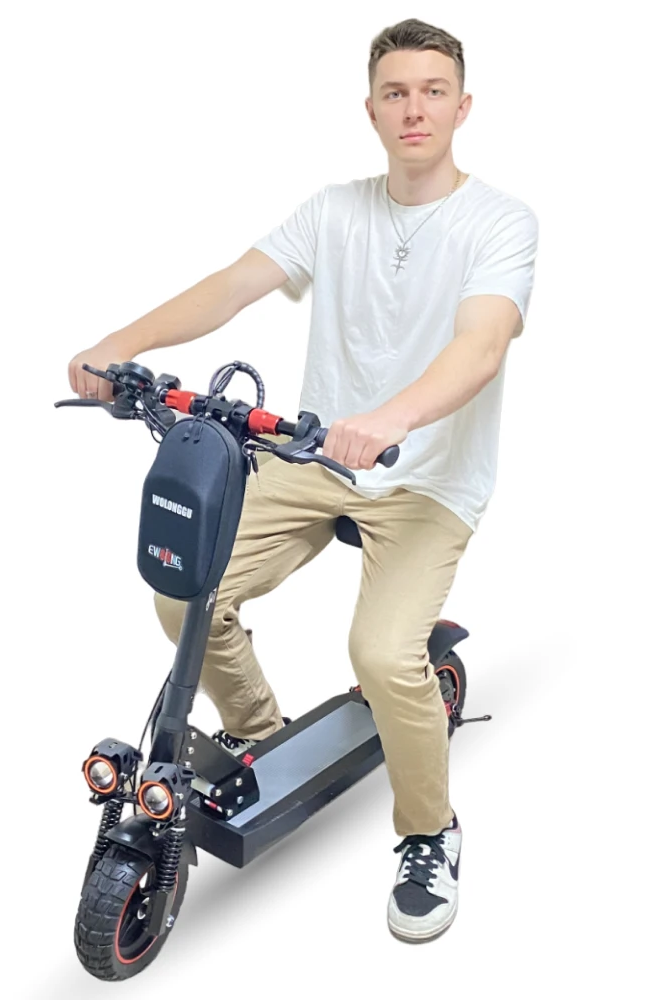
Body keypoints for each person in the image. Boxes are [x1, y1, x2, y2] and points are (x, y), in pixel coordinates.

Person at [67, 18, 539, 943]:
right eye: (396, 93)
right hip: (312, 458)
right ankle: (257, 730)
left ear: (462, 107)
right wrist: (121, 345)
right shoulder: (333, 210)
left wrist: (392, 419)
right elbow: (230, 285)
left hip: (426, 478)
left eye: (433, 91)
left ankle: (430, 833)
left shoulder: (500, 221)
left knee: (382, 656)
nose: (414, 109)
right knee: (183, 591)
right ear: (371, 110)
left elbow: (482, 344)